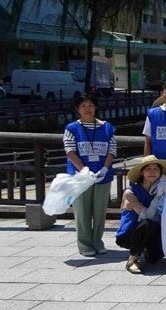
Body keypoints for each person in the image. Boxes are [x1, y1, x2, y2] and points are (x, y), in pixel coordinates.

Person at [63, 93, 116, 256]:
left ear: (96, 107)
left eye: (90, 105)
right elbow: (70, 151)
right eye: (83, 106)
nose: (87, 109)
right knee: (82, 211)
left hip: (102, 175)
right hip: (80, 177)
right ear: (77, 109)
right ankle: (84, 244)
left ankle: (97, 241)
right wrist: (83, 170)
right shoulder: (72, 128)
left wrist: (105, 168)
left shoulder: (107, 127)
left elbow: (112, 150)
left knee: (100, 211)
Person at [115, 155, 166, 274]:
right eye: (148, 169)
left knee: (155, 257)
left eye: (156, 169)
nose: (152, 172)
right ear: (142, 172)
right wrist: (158, 196)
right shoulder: (130, 192)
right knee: (148, 223)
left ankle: (146, 250)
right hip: (129, 234)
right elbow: (147, 215)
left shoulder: (162, 189)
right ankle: (132, 259)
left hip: (152, 230)